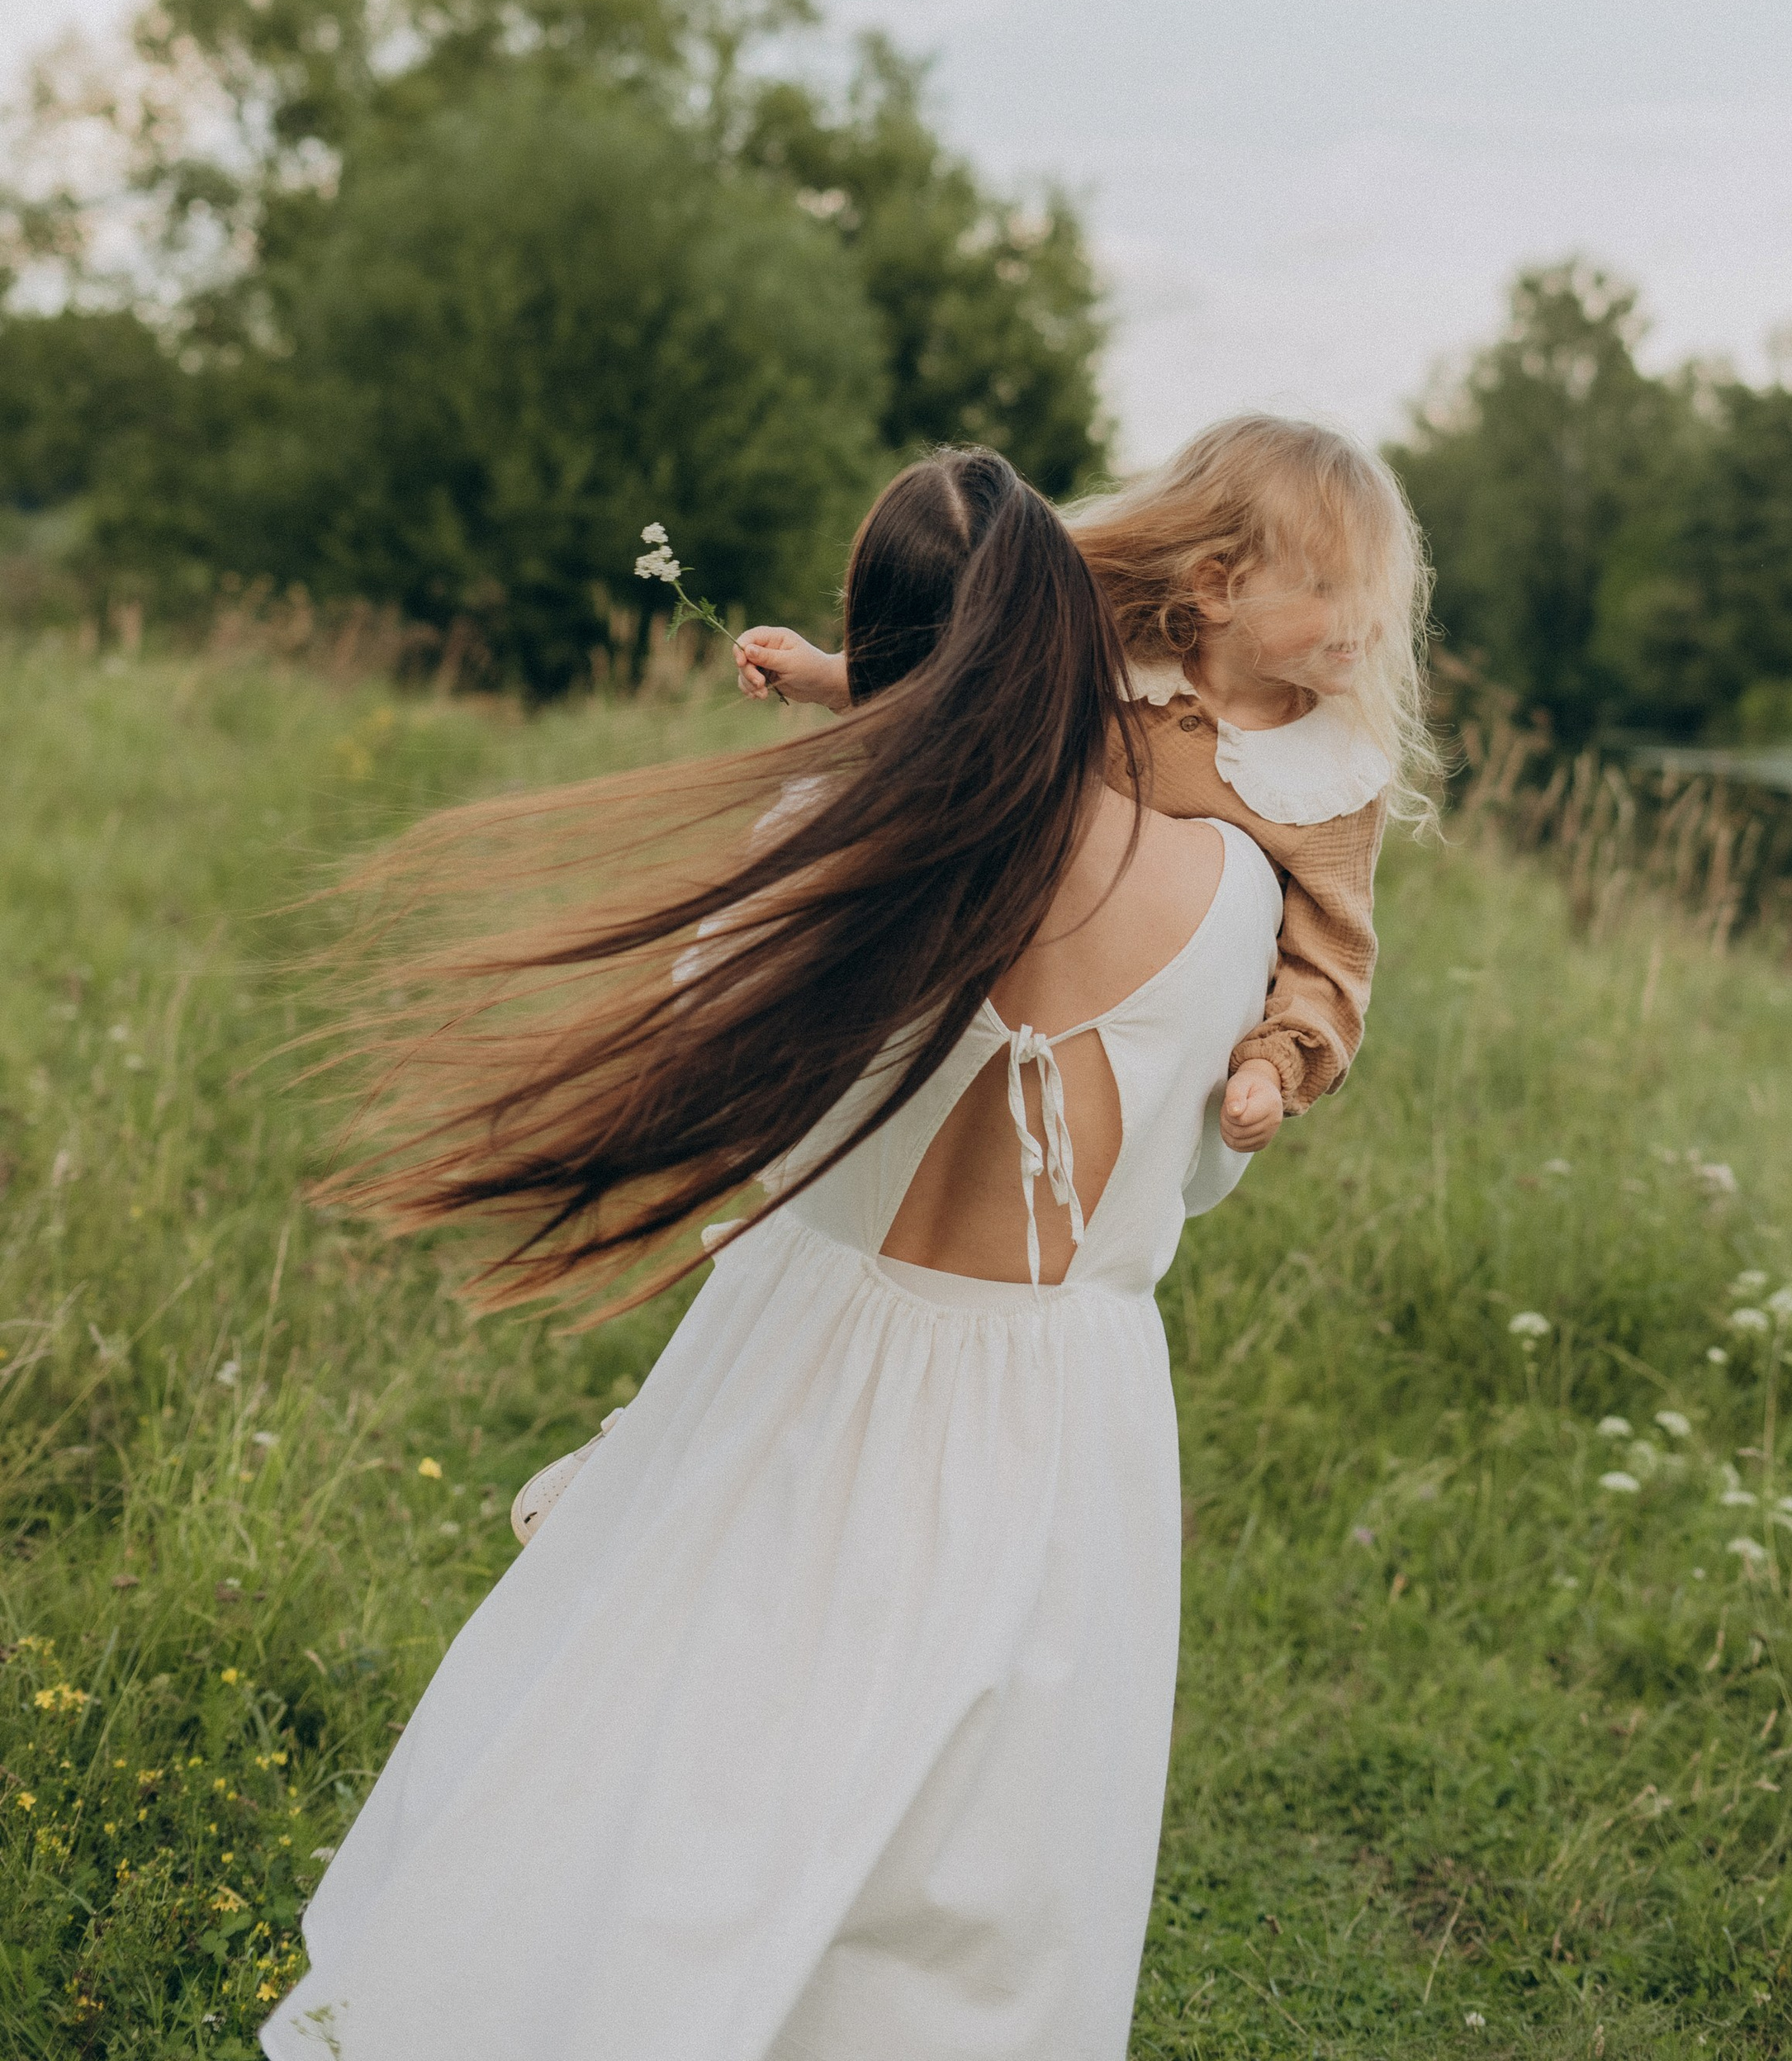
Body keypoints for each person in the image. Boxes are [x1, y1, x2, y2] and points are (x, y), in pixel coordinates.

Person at [263, 450, 1285, 2061]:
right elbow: (1198, 1183)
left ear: (870, 651)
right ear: (1066, 634)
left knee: (672, 1780)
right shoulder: (1230, 890)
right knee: (974, 1882)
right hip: (1053, 1417)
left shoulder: (813, 838)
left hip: (797, 1361)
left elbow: (734, 1091)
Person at [738, 415, 1437, 1145]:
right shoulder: (1117, 664)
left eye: (1373, 589)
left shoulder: (1334, 776)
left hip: (1152, 1049)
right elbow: (979, 707)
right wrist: (836, 678)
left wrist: (1272, 1069)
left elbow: (1331, 960)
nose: (1368, 621)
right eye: (1329, 589)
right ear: (1217, 589)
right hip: (1018, 977)